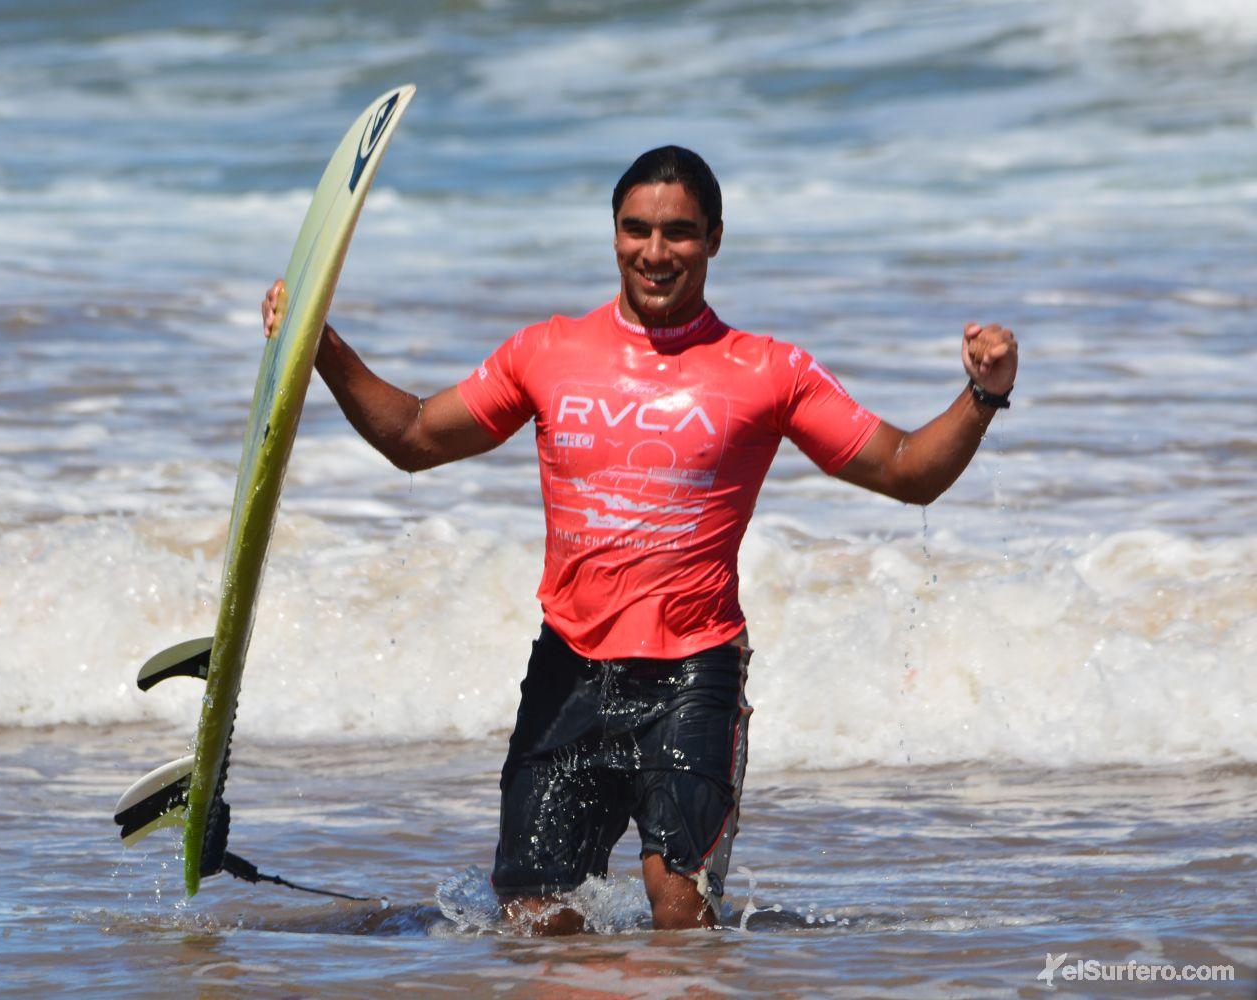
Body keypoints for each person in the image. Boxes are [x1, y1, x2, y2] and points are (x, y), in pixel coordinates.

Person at [260, 146, 1017, 934]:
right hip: (569, 670)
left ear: (715, 239)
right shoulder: (545, 352)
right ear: (614, 234)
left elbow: (905, 470)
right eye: (637, 230)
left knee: (680, 916)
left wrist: (981, 395)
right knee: (534, 922)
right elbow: (415, 435)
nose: (655, 253)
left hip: (694, 675)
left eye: (679, 232)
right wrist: (325, 348)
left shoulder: (768, 370)